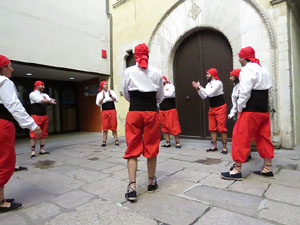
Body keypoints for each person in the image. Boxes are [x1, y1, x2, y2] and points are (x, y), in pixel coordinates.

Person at [221, 46, 274, 180]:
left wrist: (239, 108)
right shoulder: (263, 68)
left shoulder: (247, 69)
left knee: (240, 137)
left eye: (239, 56)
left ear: (244, 58)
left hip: (250, 110)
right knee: (264, 137)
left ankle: (236, 170)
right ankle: (268, 168)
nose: (238, 58)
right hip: (263, 109)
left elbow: (244, 92)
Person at [122, 43, 164, 201]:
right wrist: (152, 105)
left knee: (132, 148)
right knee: (151, 147)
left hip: (134, 112)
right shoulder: (157, 72)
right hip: (151, 112)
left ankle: (132, 187)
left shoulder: (128, 71)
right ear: (148, 54)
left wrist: (135, 104)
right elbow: (160, 96)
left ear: (135, 55)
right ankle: (151, 183)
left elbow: (126, 93)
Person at [0, 54, 42, 213]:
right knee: (5, 161)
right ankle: (0, 201)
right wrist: (31, 125)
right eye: (9, 65)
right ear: (2, 68)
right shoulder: (4, 81)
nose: (12, 68)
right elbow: (14, 106)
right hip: (2, 124)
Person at [192, 68, 228, 154]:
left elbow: (209, 93)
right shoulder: (208, 85)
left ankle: (224, 148)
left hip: (220, 107)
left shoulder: (218, 83)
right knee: (212, 128)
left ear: (212, 74)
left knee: (222, 128)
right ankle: (214, 146)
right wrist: (198, 89)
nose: (206, 75)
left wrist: (200, 87)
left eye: (208, 74)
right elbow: (204, 96)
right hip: (212, 108)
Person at [29, 81, 56, 159]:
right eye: (42, 85)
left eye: (44, 85)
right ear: (37, 86)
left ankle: (42, 150)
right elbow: (40, 100)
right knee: (34, 135)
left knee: (43, 134)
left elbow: (48, 98)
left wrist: (52, 100)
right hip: (35, 116)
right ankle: (33, 152)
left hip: (44, 116)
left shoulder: (44, 94)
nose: (43, 87)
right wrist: (49, 101)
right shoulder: (32, 94)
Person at [159, 76, 182, 148]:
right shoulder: (159, 87)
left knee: (174, 125)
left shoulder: (170, 86)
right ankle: (167, 142)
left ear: (165, 80)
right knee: (164, 126)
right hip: (162, 109)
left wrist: (161, 94)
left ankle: (177, 142)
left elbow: (170, 94)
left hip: (170, 109)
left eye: (162, 80)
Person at [96, 80, 119, 147]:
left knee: (113, 126)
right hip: (104, 111)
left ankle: (116, 140)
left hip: (112, 110)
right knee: (105, 127)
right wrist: (103, 98)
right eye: (105, 84)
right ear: (102, 86)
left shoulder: (112, 92)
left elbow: (116, 100)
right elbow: (98, 104)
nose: (106, 85)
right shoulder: (99, 94)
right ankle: (104, 142)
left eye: (107, 84)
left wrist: (111, 96)